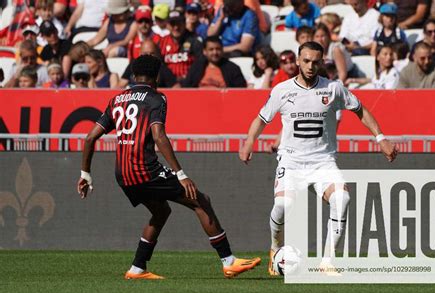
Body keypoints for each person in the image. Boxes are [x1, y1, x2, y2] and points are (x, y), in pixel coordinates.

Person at [77, 54, 261, 280]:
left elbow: (89, 138)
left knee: (161, 211)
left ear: (133, 75)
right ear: (157, 76)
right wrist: (181, 174)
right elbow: (159, 136)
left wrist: (86, 174)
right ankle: (229, 261)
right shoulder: (157, 98)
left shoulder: (117, 99)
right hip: (145, 170)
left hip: (122, 174)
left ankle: (137, 268)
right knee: (201, 201)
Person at [239, 41, 398, 275]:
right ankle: (275, 248)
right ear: (297, 61)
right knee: (283, 206)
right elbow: (261, 119)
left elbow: (361, 110)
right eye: (306, 61)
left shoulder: (333, 89)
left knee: (342, 199)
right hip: (291, 162)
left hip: (323, 162)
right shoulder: (282, 90)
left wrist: (381, 138)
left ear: (321, 62)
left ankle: (327, 262)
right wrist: (249, 142)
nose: (311, 66)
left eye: (315, 61)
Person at [181, 36, 247, 88]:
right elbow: (187, 88)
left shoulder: (233, 68)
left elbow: (240, 91)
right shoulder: (196, 67)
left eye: (218, 49)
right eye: (211, 49)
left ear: (222, 50)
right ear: (204, 51)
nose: (215, 52)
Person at [158, 10, 203, 80]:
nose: (176, 27)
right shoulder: (161, 42)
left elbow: (200, 64)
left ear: (184, 24)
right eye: (173, 24)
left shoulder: (194, 41)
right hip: (167, 84)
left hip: (189, 84)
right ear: (167, 25)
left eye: (179, 23)